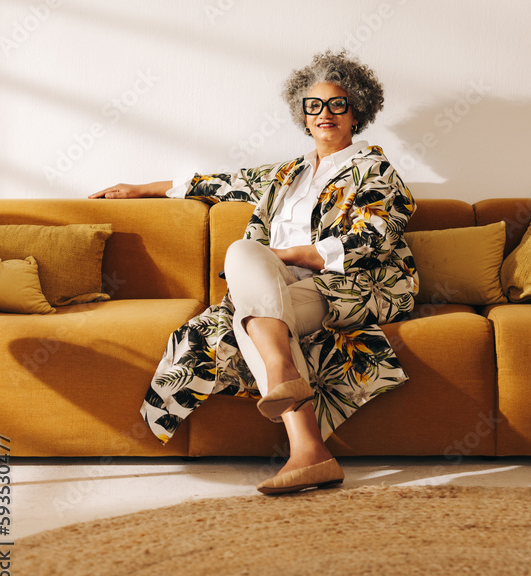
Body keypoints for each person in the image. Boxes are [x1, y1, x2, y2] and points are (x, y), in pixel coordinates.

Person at [89, 49, 418, 495]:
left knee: (251, 320)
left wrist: (294, 255)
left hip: (350, 284)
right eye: (314, 105)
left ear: (357, 113)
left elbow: (378, 232)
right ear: (302, 116)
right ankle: (306, 439)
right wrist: (141, 188)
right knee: (244, 251)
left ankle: (299, 424)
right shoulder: (287, 172)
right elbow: (221, 182)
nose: (325, 113)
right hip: (277, 287)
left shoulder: (375, 169)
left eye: (338, 104)